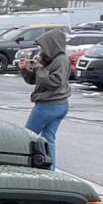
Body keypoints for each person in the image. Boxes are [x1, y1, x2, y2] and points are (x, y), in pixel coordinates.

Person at [21, 26, 70, 169]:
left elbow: (55, 82)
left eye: (43, 47)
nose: (41, 50)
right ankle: (50, 170)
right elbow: (35, 80)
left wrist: (38, 68)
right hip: (59, 105)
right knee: (48, 139)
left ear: (52, 44)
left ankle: (22, 167)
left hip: (49, 105)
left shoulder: (61, 60)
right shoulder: (51, 59)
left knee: (27, 136)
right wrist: (25, 69)